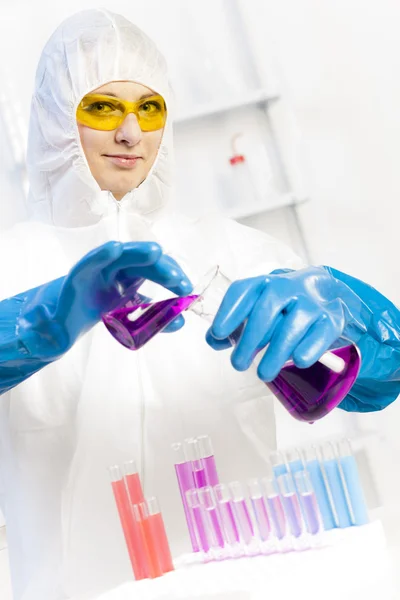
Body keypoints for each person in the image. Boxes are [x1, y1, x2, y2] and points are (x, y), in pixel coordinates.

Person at [0, 9, 400, 600]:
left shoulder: (239, 252)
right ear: (58, 116)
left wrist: (351, 313)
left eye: (150, 107)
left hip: (247, 584)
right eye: (103, 107)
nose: (131, 132)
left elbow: (380, 383)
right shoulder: (14, 264)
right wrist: (48, 317)